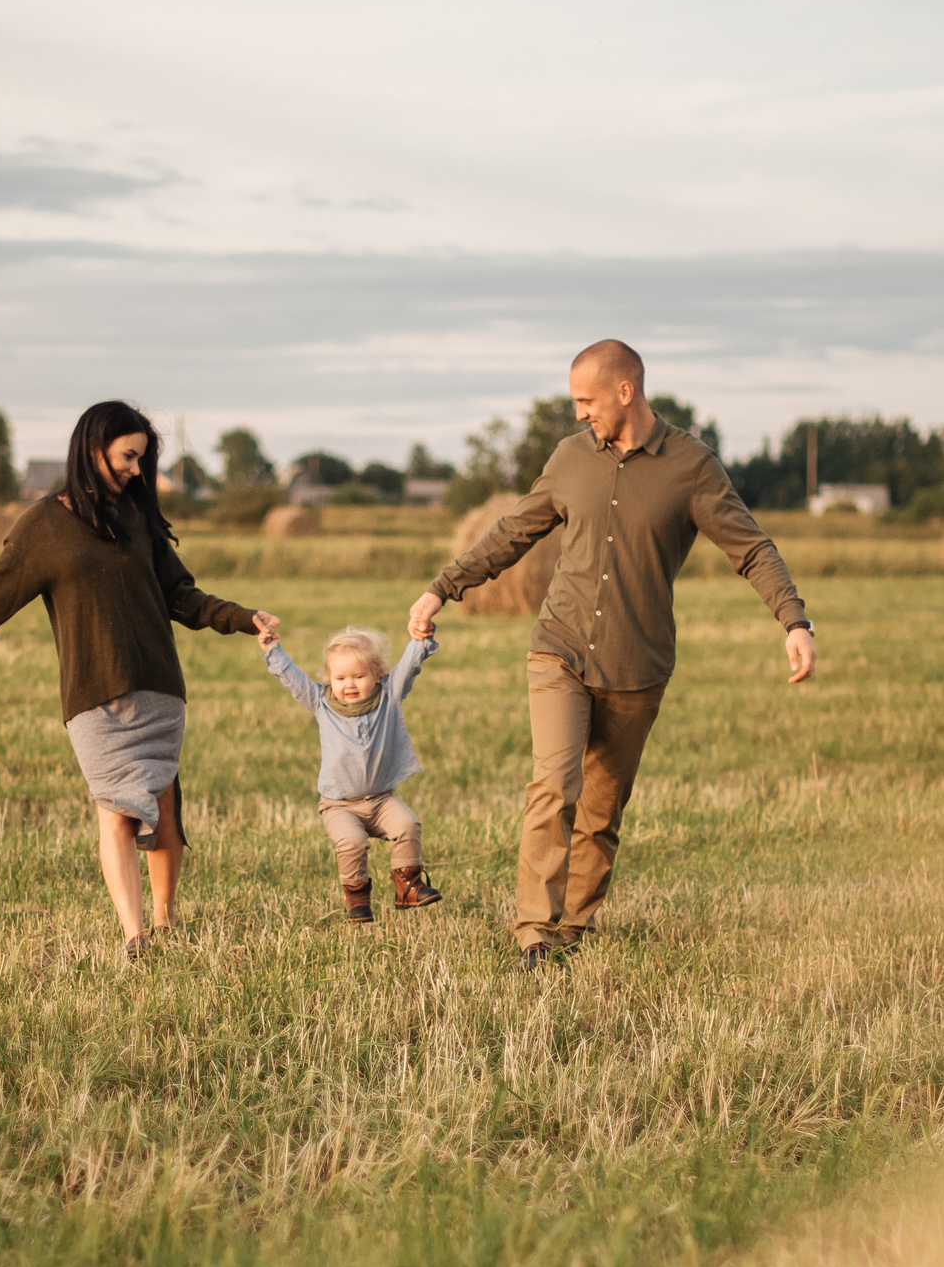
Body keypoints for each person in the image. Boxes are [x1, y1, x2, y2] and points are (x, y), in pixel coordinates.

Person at [407, 339, 816, 970]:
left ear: (626, 392)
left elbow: (752, 548)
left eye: (585, 400)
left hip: (637, 664)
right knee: (554, 784)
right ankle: (533, 935)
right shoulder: (570, 458)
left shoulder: (692, 467)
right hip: (559, 649)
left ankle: (574, 928)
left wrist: (793, 619)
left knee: (601, 809)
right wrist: (443, 587)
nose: (578, 415)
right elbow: (516, 530)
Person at [0, 400, 280, 958]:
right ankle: (134, 935)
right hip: (93, 695)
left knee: (166, 804)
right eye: (128, 456)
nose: (135, 469)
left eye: (141, 460)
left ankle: (165, 921)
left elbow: (181, 595)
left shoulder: (139, 516)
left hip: (157, 683)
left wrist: (243, 618)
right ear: (93, 447)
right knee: (118, 809)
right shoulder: (42, 527)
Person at [260, 622, 444, 924]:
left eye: (359, 676)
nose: (350, 684)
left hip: (382, 800)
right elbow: (292, 679)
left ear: (378, 675)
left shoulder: (389, 697)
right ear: (329, 679)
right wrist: (272, 650)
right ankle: (357, 897)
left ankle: (409, 888)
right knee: (352, 842)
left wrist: (421, 641)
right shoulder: (321, 702)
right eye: (341, 677)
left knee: (408, 824)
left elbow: (409, 667)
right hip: (338, 805)